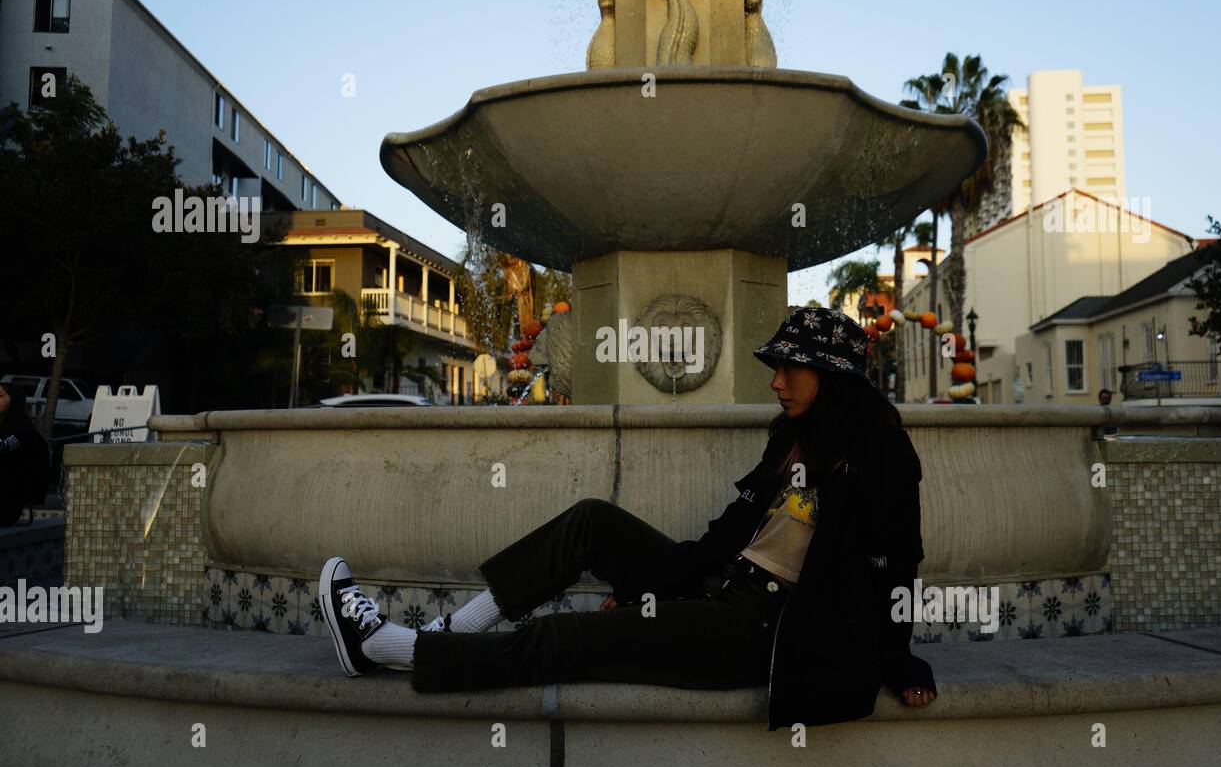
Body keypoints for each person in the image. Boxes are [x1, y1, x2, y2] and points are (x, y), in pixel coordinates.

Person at [319, 307, 938, 730]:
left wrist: (899, 659)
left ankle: (390, 648)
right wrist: (650, 585)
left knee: (574, 637)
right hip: (722, 588)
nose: (775, 382)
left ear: (832, 377)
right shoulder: (793, 435)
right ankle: (454, 629)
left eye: (790, 368)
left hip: (763, 629)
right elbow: (725, 536)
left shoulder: (881, 452)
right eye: (775, 367)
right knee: (592, 522)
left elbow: (896, 565)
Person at [0, 383, 52, 527]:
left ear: (14, 402)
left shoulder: (23, 430)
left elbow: (4, 446)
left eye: (0, 396)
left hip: (7, 505)